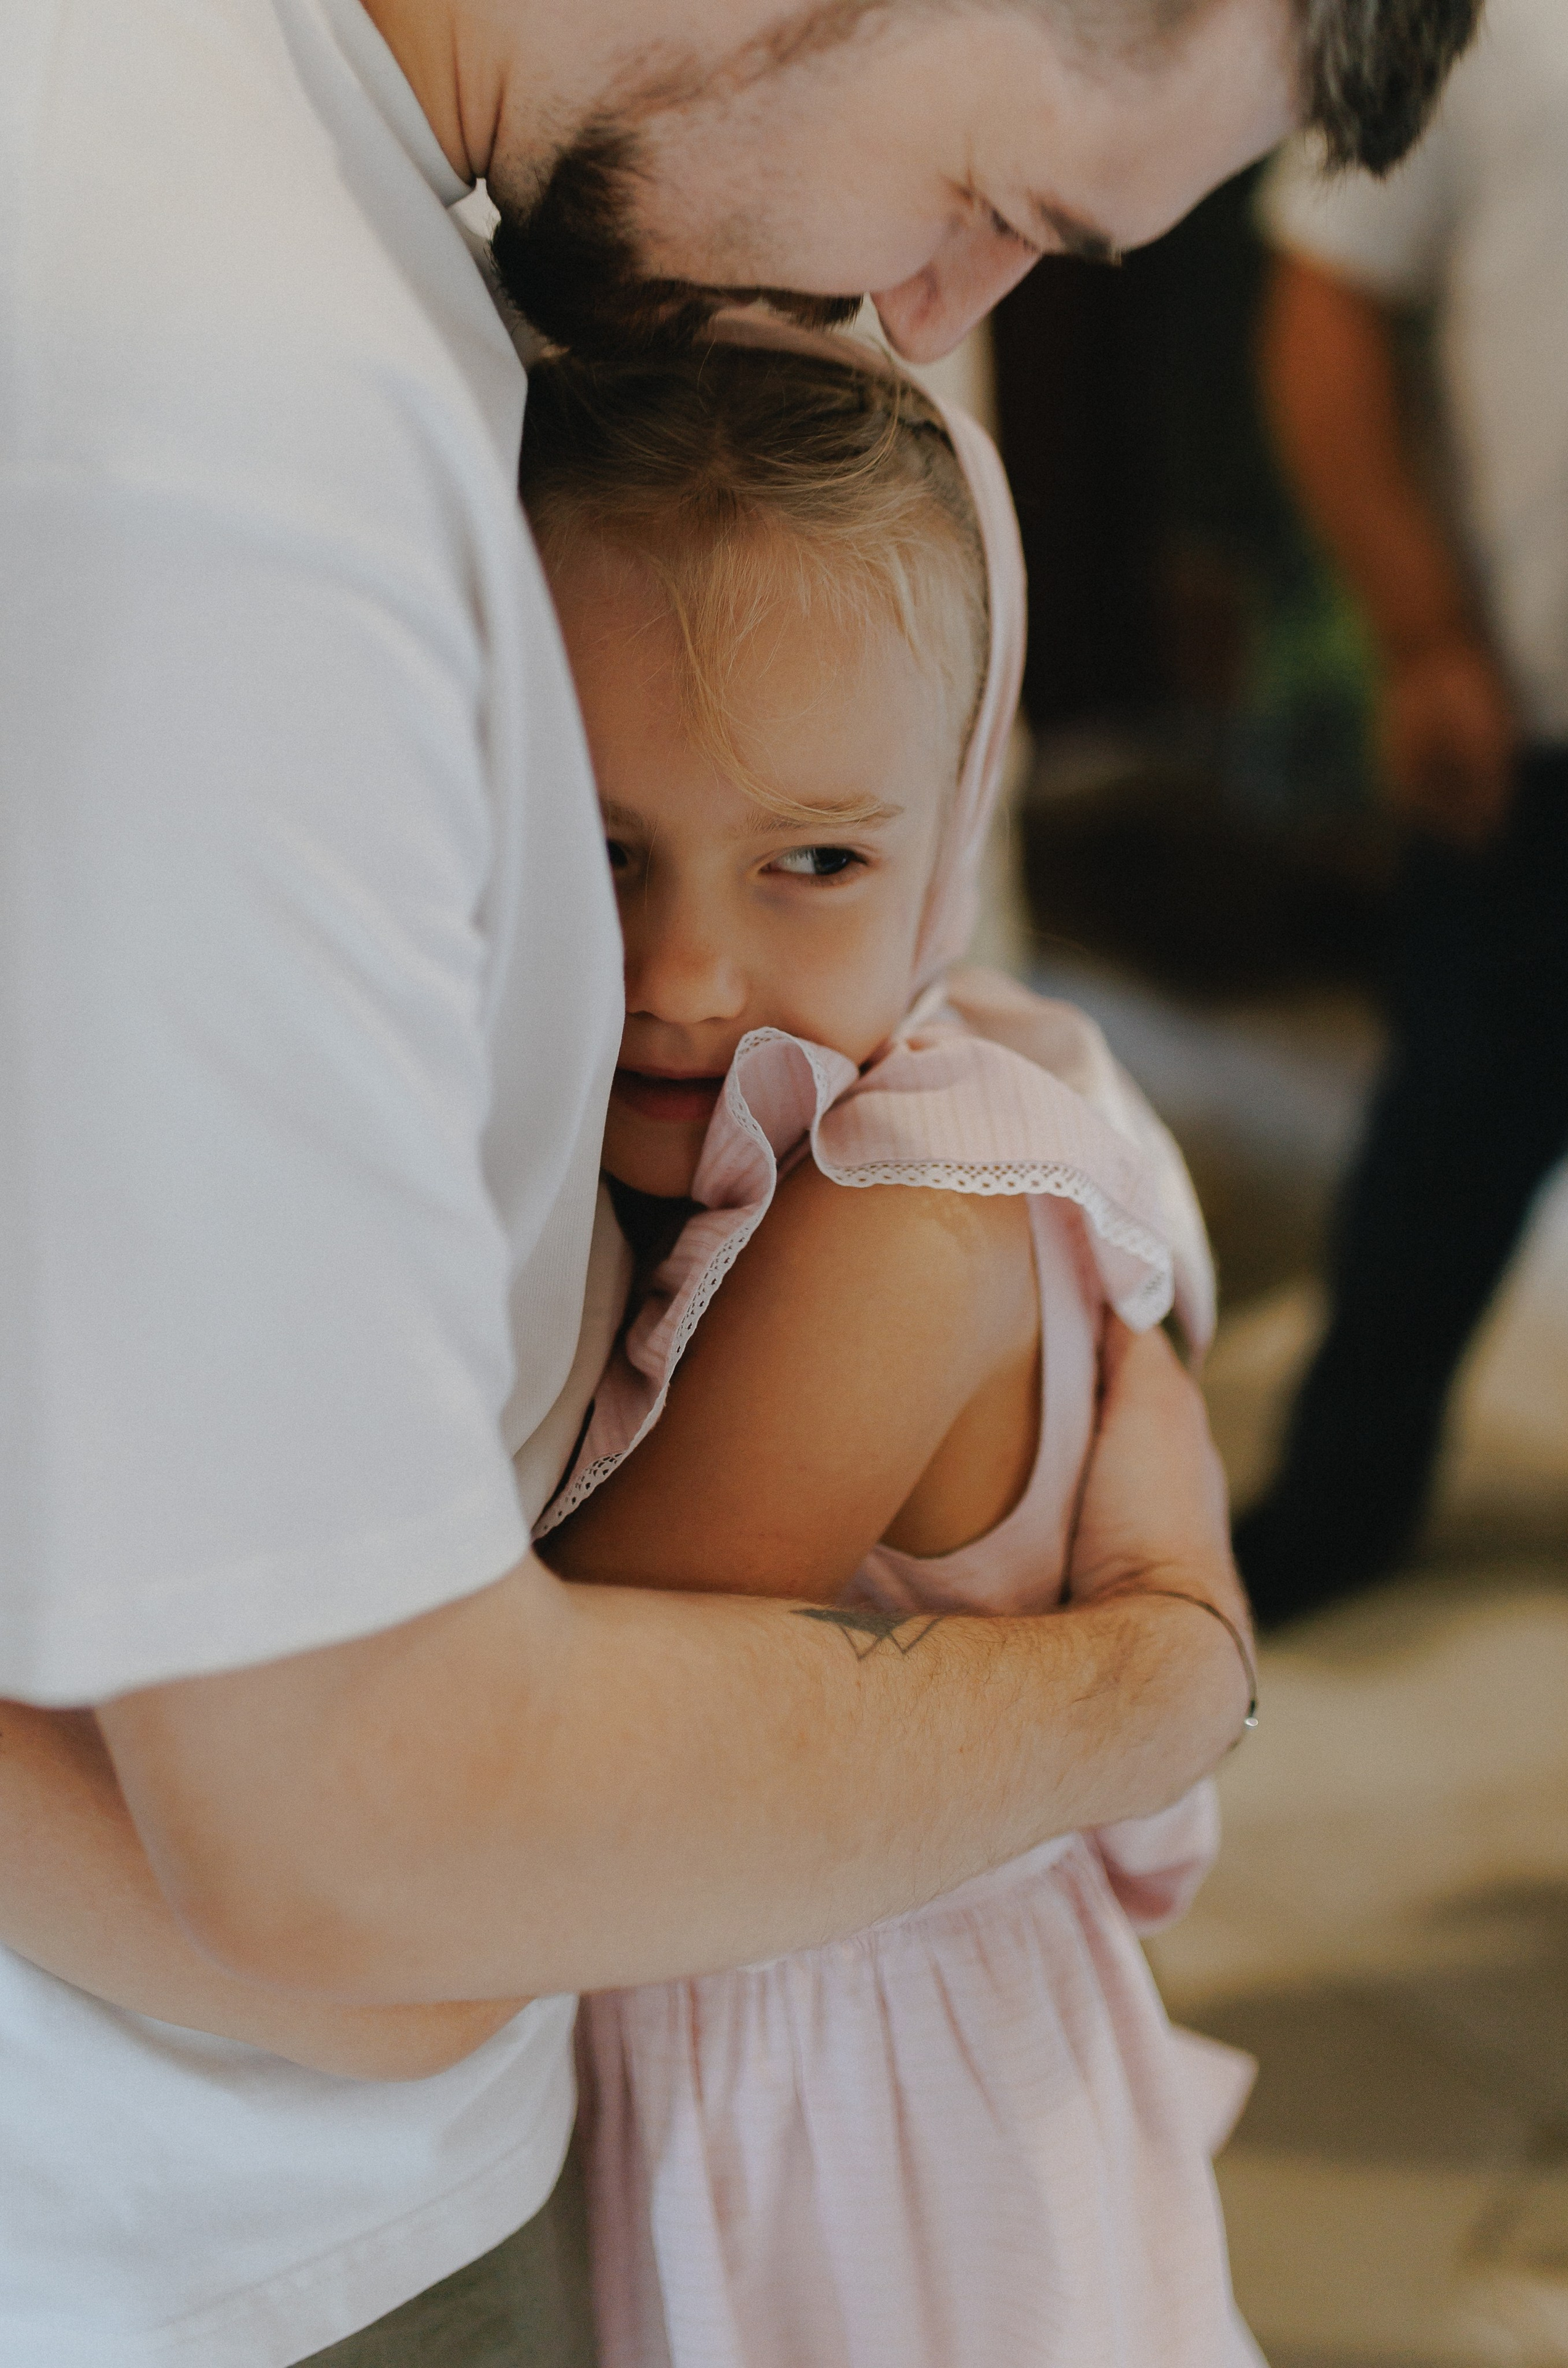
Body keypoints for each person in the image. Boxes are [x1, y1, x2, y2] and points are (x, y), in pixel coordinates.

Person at [0, 0, 1476, 2359]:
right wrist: (1155, 1682)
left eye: (815, 858)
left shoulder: (372, 244)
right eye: (997, 197)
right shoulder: (241, 403)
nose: (925, 310)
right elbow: (409, 1856)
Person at [522, 324, 1260, 2367]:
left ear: (959, 826)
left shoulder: (899, 1223)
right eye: (597, 849)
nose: (684, 970)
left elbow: (547, 1748)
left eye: (817, 862)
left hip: (852, 2141)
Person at [1236, 0, 1568, 1627]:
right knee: (1451, 1131)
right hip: (1541, 725)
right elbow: (1328, 306)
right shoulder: (1481, 20)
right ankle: (1342, 1498)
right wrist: (1426, 636)